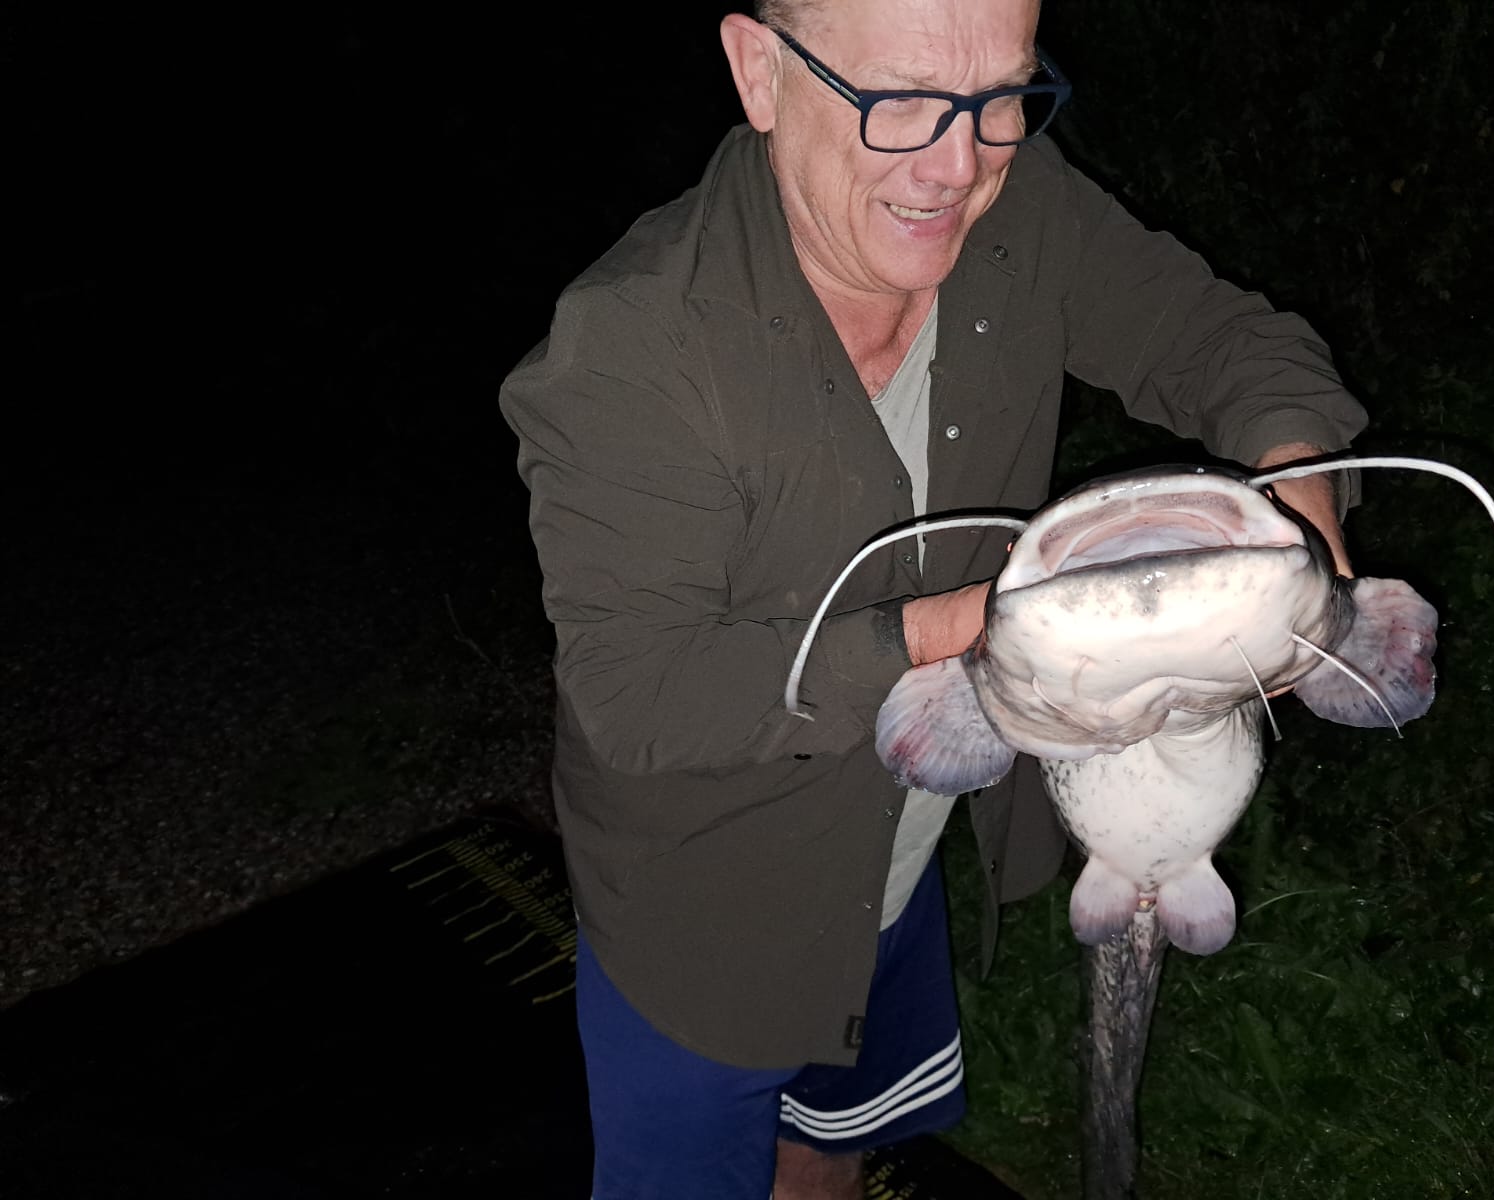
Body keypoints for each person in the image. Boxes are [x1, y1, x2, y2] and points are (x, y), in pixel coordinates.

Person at [499, 1, 1366, 1195]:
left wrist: (1300, 517)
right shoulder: (626, 350)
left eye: (1000, 96)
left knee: (835, 1157)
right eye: (897, 101)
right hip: (704, 916)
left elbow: (1221, 341)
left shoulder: (1022, 205)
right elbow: (643, 695)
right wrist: (994, 624)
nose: (958, 166)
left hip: (897, 871)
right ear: (760, 72)